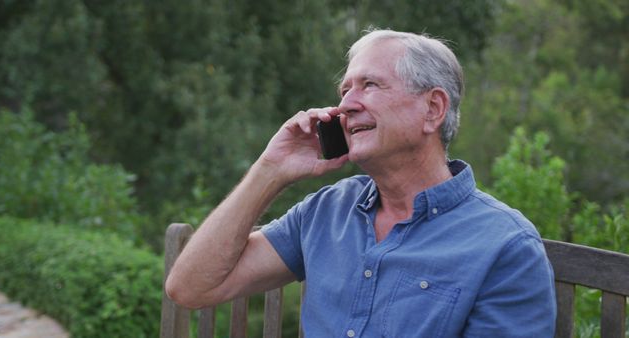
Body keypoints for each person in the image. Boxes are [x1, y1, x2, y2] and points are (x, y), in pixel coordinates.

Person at [166, 29, 556, 337]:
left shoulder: (505, 246)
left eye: (370, 85)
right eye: (345, 90)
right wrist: (271, 169)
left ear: (432, 109)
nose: (346, 105)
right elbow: (190, 288)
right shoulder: (327, 210)